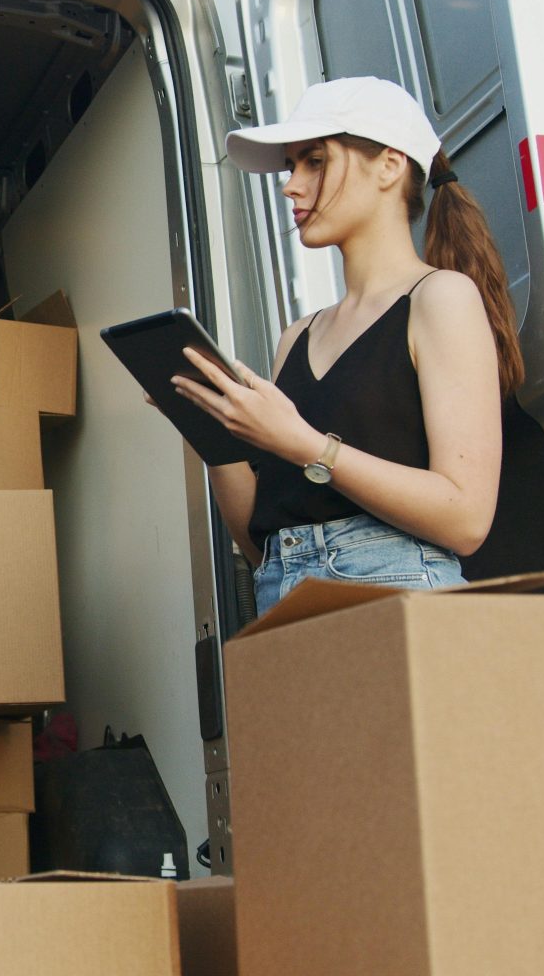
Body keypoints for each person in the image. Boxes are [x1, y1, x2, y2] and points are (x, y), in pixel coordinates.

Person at [170, 76, 523, 615]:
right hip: (284, 597)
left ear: (389, 165)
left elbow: (466, 516)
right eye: (292, 168)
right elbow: (260, 541)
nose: (291, 186)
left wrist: (306, 444)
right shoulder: (297, 336)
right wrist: (207, 430)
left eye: (314, 162)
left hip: (398, 593)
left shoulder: (441, 298)